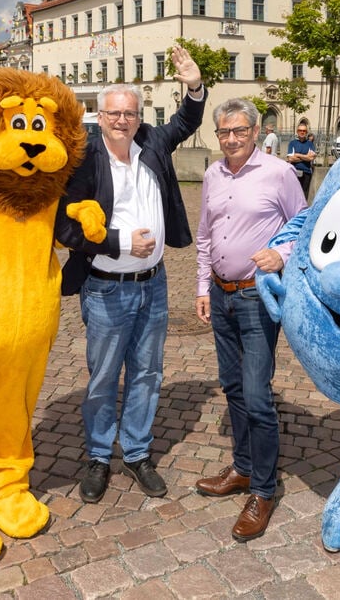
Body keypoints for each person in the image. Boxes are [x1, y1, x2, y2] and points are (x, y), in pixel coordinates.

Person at [55, 44, 207, 504]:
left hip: (153, 284)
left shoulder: (152, 144)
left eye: (130, 114)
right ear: (99, 117)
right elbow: (64, 225)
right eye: (114, 113)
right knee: (103, 377)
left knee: (147, 373)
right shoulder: (84, 159)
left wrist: (195, 85)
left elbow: (187, 121)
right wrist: (120, 242)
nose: (122, 121)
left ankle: (137, 453)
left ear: (140, 118)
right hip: (105, 287)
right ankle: (99, 457)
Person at [194, 98, 308, 541]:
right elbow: (205, 234)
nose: (232, 139)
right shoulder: (212, 173)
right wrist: (203, 287)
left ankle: (263, 489)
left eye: (240, 131)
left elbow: (305, 227)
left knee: (258, 395)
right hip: (221, 295)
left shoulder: (279, 173)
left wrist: (280, 254)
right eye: (224, 132)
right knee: (234, 387)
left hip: (256, 298)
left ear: (256, 132)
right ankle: (242, 468)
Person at [287, 125, 316, 197]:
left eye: (304, 131)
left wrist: (297, 155)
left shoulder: (310, 144)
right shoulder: (292, 143)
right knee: (294, 195)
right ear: (297, 132)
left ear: (306, 132)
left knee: (303, 195)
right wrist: (306, 156)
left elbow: (311, 158)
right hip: (294, 171)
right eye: (300, 130)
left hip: (306, 173)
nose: (302, 132)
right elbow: (290, 159)